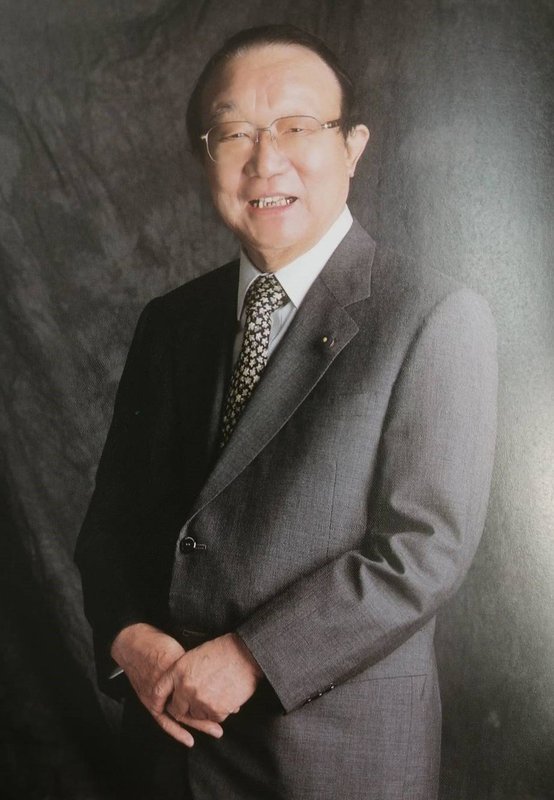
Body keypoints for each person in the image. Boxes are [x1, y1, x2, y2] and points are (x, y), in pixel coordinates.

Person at [75, 24, 497, 800]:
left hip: (331, 759)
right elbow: (111, 524)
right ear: (204, 157)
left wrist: (250, 656)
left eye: (298, 127)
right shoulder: (171, 322)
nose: (266, 161)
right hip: (167, 752)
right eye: (235, 133)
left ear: (353, 147)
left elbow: (424, 549)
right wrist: (127, 638)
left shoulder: (432, 317)